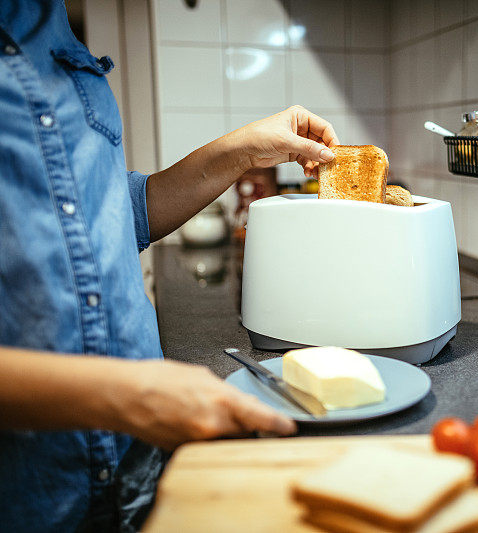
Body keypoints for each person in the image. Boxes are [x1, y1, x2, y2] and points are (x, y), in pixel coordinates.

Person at [0, 2, 339, 530]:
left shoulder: (48, 21)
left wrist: (245, 149)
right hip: (32, 494)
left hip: (133, 471)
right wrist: (129, 395)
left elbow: (119, 212)